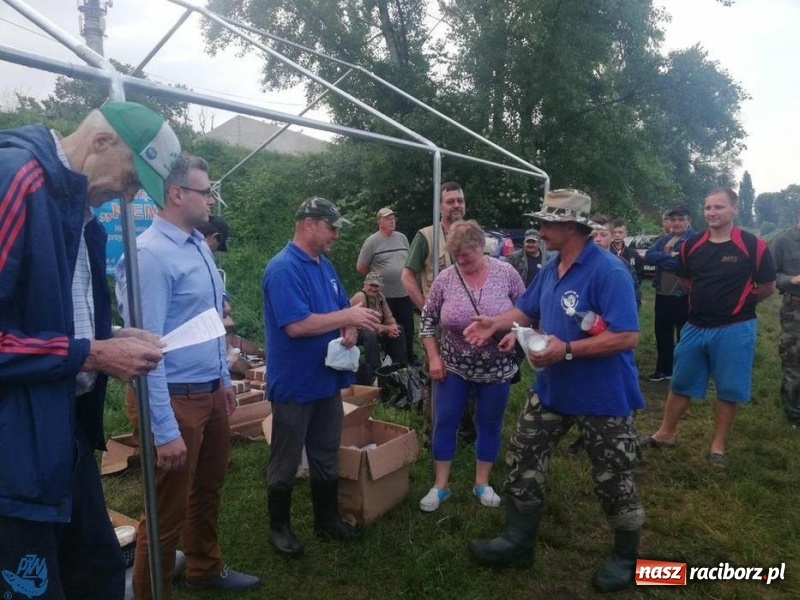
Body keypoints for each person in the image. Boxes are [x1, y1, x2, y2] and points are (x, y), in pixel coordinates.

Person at [0, 101, 175, 600]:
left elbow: (47, 317)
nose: (130, 194)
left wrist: (113, 335)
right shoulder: (17, 180)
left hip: (62, 434)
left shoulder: (80, 215)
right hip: (14, 452)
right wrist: (91, 356)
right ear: (101, 142)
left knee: (98, 576)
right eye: (131, 176)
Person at [464, 189, 645, 593]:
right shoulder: (551, 267)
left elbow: (627, 336)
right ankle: (517, 541)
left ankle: (626, 557)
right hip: (552, 390)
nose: (540, 230)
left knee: (612, 476)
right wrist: (495, 323)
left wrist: (567, 349)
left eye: (547, 224)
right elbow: (526, 309)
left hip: (603, 395)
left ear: (571, 227)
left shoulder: (608, 271)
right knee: (523, 455)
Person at [116, 155, 259, 598]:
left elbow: (207, 321)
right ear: (177, 195)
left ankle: (203, 567)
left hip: (209, 392)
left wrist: (221, 381)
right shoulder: (151, 257)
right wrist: (163, 430)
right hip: (172, 399)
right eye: (206, 190)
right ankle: (150, 592)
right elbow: (147, 351)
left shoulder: (196, 243)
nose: (212, 198)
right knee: (164, 513)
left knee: (208, 488)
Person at [262, 197, 381, 557]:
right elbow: (296, 325)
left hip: (326, 379)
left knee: (326, 451)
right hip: (295, 383)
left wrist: (349, 326)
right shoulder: (284, 269)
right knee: (285, 459)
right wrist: (347, 317)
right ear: (309, 223)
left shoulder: (324, 265)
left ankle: (326, 520)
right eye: (331, 227)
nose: (336, 234)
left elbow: (340, 311)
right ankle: (279, 527)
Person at [641, 188, 776, 464]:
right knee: (680, 382)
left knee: (728, 388)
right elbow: (686, 281)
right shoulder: (692, 245)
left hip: (735, 328)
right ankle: (665, 434)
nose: (712, 213)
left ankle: (718, 447)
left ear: (734, 208)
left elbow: (767, 287)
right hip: (695, 325)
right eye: (708, 208)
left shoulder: (752, 245)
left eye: (719, 207)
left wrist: (738, 305)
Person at [418, 220, 525, 512]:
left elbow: (527, 311)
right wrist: (434, 357)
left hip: (496, 367)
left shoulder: (506, 273)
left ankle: (482, 483)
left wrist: (514, 334)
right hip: (453, 366)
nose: (460, 260)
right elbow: (426, 322)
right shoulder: (446, 279)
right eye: (455, 255)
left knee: (489, 423)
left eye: (465, 254)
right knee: (445, 421)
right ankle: (441, 486)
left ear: (481, 247)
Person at [402, 181, 476, 442]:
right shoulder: (426, 236)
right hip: (439, 324)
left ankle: (467, 431)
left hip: (472, 323)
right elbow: (407, 276)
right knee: (437, 374)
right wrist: (425, 309)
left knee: (471, 372)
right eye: (450, 201)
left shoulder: (474, 234)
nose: (456, 205)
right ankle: (432, 433)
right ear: (440, 206)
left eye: (460, 200)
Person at [644, 205, 695, 382]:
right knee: (662, 333)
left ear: (689, 221)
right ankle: (663, 370)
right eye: (673, 219)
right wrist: (670, 256)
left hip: (683, 295)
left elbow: (684, 264)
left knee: (684, 335)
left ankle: (682, 373)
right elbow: (649, 257)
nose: (677, 223)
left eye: (681, 219)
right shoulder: (665, 239)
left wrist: (666, 259)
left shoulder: (694, 240)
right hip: (662, 293)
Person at [357, 207, 415, 364]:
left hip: (404, 291)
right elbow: (361, 267)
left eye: (393, 218)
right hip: (385, 294)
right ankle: (389, 362)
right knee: (387, 328)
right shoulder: (372, 241)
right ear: (379, 222)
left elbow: (408, 261)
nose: (392, 221)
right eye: (388, 218)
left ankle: (408, 358)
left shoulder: (402, 238)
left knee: (407, 327)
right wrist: (377, 280)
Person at [769, 207, 800, 429]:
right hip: (795, 308)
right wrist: (792, 280)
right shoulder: (782, 241)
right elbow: (769, 276)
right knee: (794, 360)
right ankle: (794, 415)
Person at [350, 271, 407, 383]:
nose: (374, 288)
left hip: (374, 329)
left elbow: (388, 316)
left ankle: (399, 367)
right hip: (355, 331)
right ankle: (375, 372)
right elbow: (365, 323)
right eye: (371, 285)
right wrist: (387, 329)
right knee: (370, 334)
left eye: (376, 286)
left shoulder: (380, 297)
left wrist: (393, 327)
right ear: (365, 284)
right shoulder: (360, 297)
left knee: (399, 329)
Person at [197, 214, 232, 318]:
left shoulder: (205, 256)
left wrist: (223, 298)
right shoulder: (199, 258)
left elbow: (215, 285)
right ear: (213, 237)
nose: (216, 250)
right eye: (219, 245)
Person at [610, 218, 644, 308]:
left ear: (626, 233)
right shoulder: (606, 252)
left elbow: (639, 273)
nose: (617, 235)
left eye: (620, 232)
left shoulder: (633, 254)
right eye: (614, 232)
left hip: (628, 291)